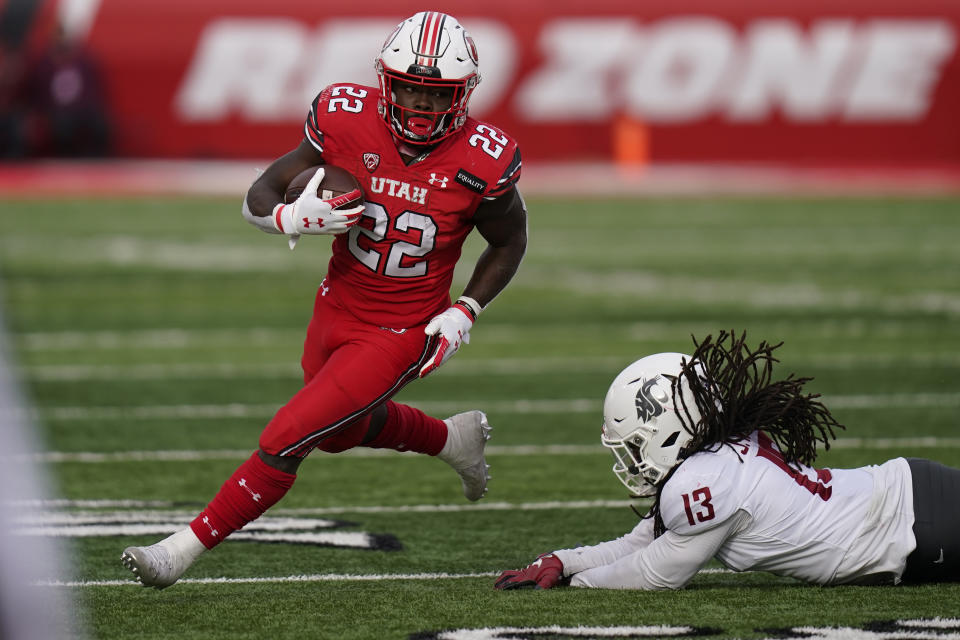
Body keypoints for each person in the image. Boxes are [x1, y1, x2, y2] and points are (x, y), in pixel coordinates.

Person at [121, 11, 527, 589]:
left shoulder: (482, 158)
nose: (418, 105)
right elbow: (259, 192)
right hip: (337, 304)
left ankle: (177, 552)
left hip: (403, 328)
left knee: (288, 435)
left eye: (435, 95)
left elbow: (511, 240)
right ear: (385, 82)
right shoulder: (345, 115)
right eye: (409, 87)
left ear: (462, 97)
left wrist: (466, 309)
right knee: (335, 431)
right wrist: (287, 215)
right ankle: (451, 439)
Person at [495, 331, 960, 591]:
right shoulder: (712, 462)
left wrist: (580, 585)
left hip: (915, 526)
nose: (634, 461)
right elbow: (643, 541)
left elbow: (655, 573)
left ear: (668, 429)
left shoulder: (707, 481)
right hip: (911, 501)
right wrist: (566, 560)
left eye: (637, 445)